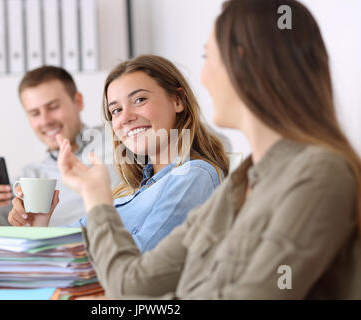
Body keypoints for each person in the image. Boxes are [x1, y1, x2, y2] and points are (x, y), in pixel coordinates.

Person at [52, 0, 361, 299]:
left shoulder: (319, 173)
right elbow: (133, 284)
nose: (203, 75)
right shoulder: (241, 184)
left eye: (207, 57)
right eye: (115, 110)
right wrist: (95, 198)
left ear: (244, 62)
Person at [8, 55, 230, 253]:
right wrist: (38, 227)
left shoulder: (194, 175)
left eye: (140, 100)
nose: (125, 118)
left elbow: (136, 271)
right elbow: (65, 250)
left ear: (177, 100)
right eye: (116, 110)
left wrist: (95, 198)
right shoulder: (127, 191)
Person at [0, 66, 119, 230]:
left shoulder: (118, 137)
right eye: (35, 113)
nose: (45, 121)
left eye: (53, 107)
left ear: (78, 101)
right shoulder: (31, 178)